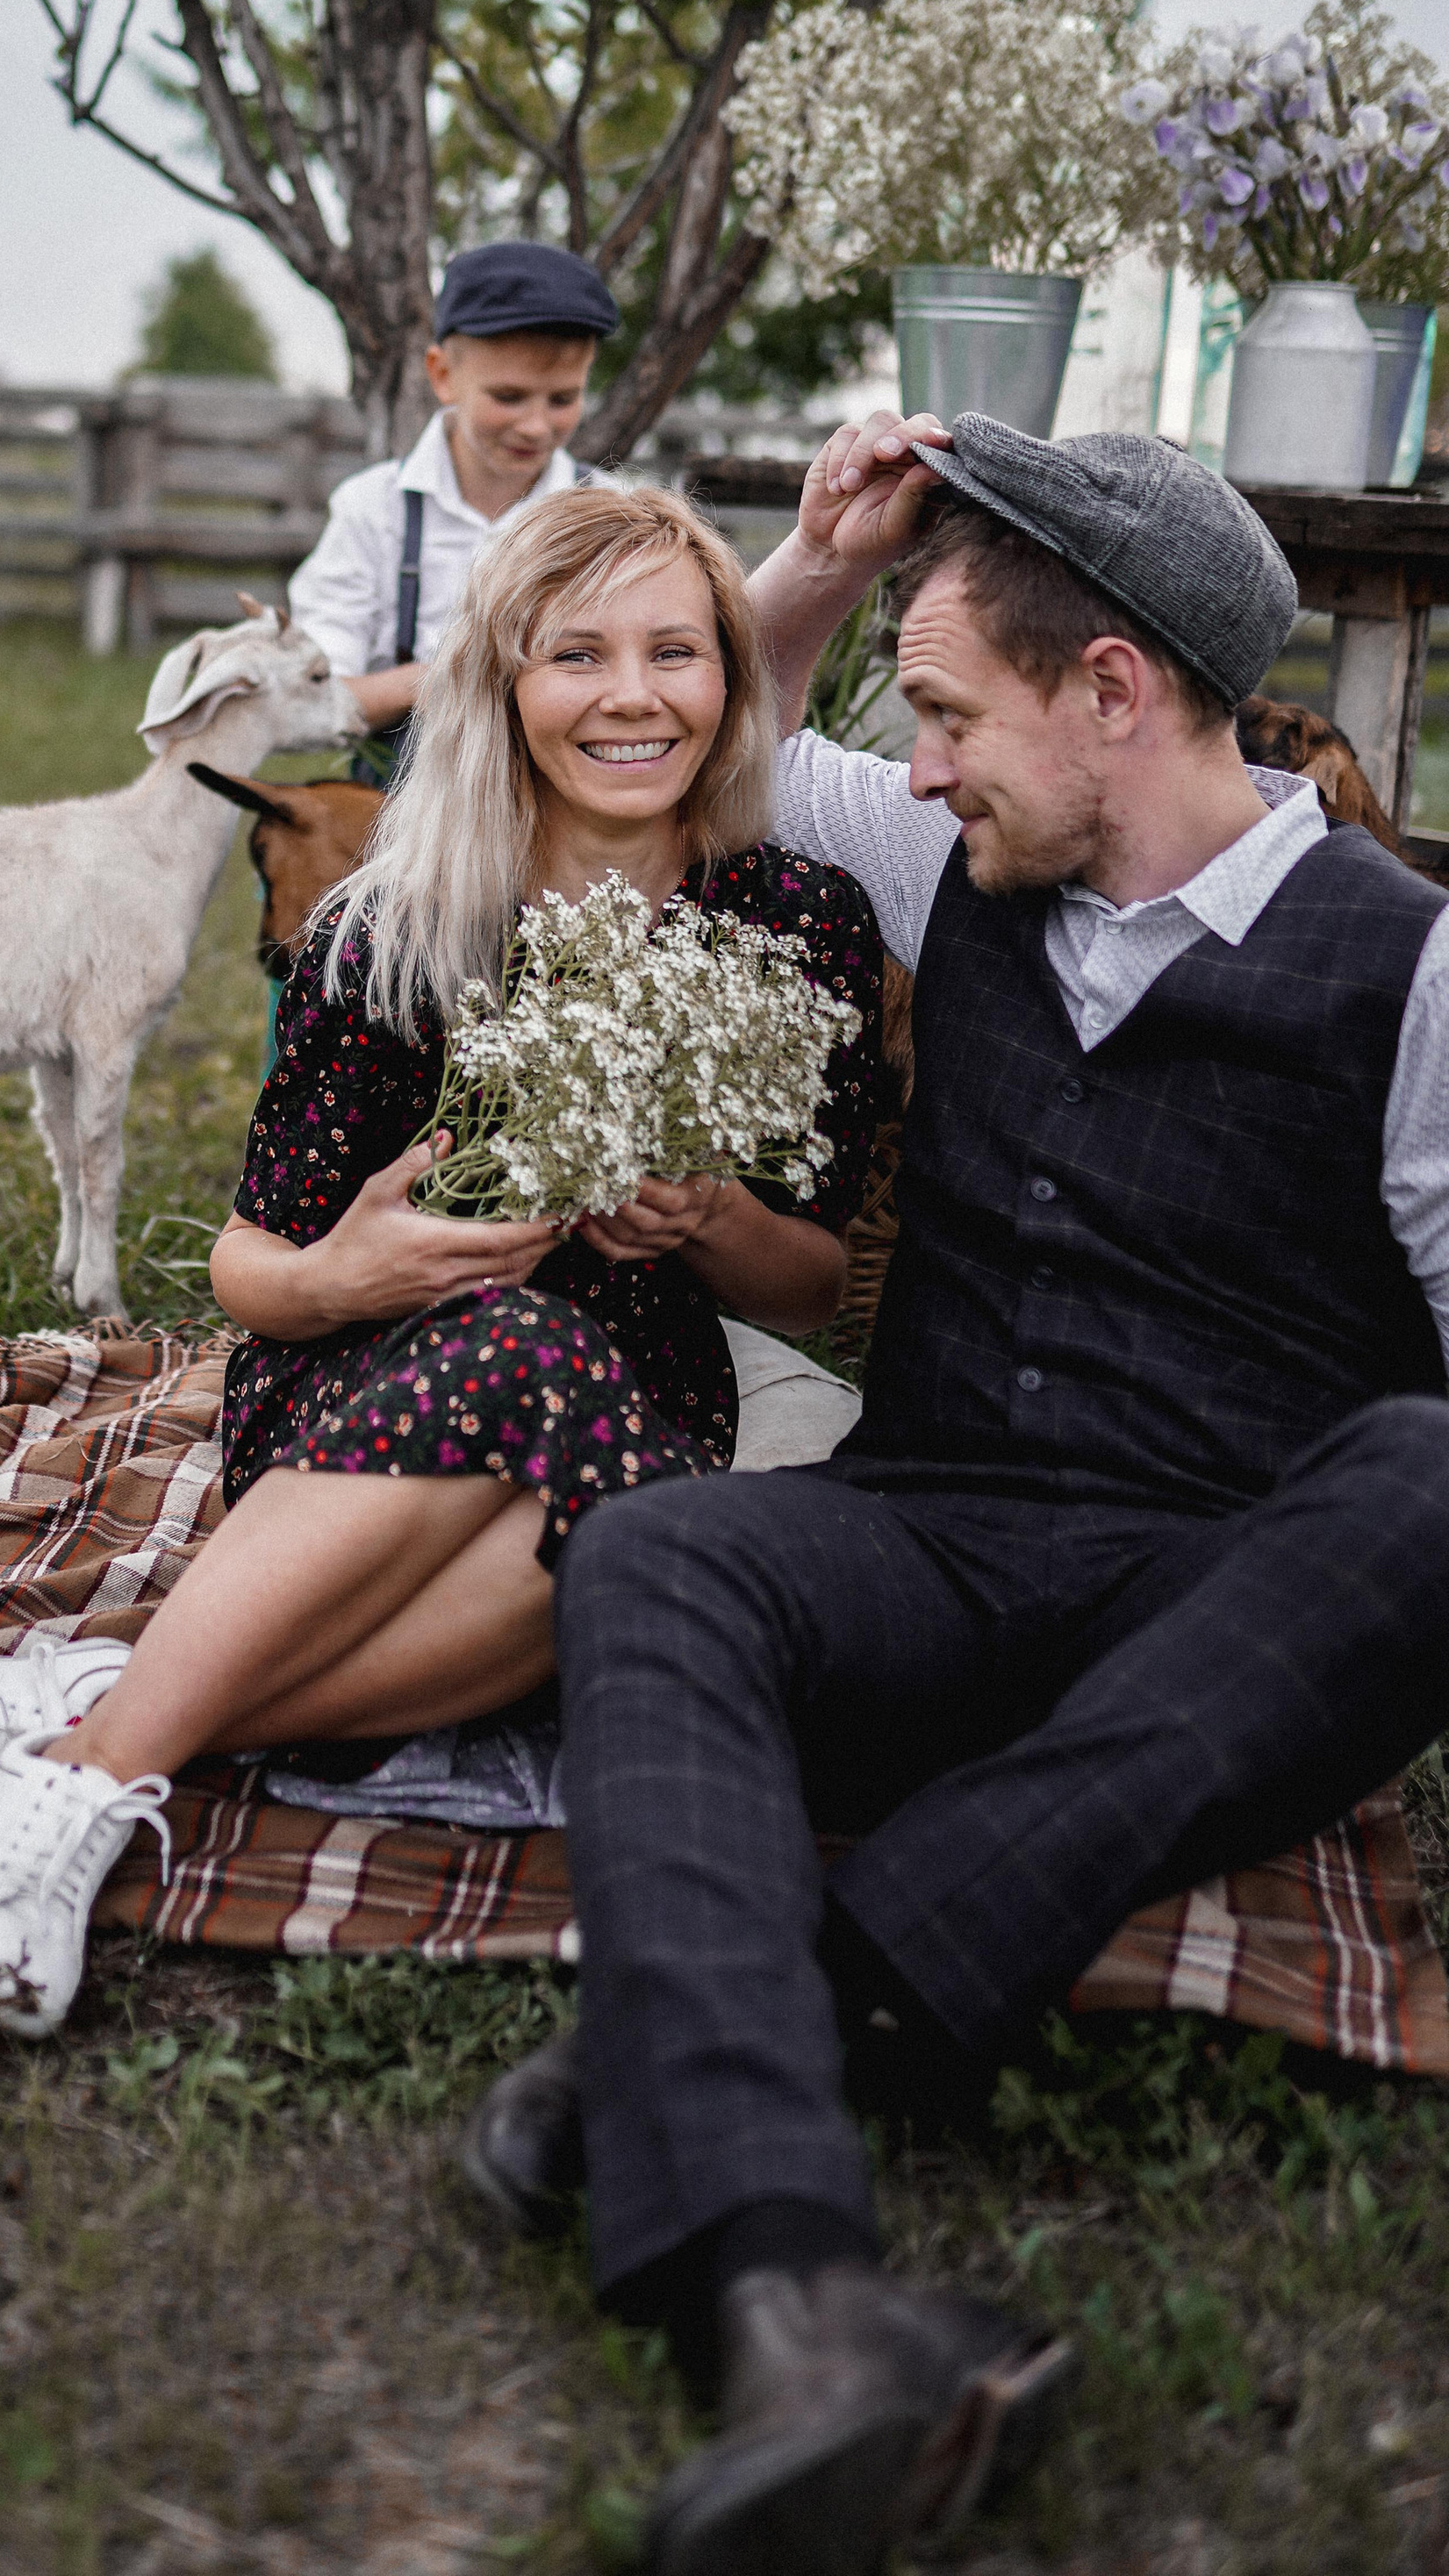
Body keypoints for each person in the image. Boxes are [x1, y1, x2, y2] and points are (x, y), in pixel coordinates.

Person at [463, 410, 1449, 2576]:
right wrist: (814, 561)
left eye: (940, 712)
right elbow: (721, 756)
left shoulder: (1412, 964)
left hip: (1218, 1607)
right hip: (930, 1533)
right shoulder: (954, 855)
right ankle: (807, 2311)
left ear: (1111, 692)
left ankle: (752, 2009)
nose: (903, 765)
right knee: (660, 1548)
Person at [0, 483, 884, 2032]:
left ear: (731, 674)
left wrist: (711, 1220)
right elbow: (251, 1267)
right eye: (577, 655)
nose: (635, 696)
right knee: (526, 1349)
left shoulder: (795, 924)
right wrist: (358, 1271)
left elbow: (808, 1284)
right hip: (350, 1396)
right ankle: (98, 1781)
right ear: (504, 682)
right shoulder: (394, 925)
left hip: (635, 1410)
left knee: (632, 1550)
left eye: (678, 651)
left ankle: (91, 1717)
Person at [288, 237, 618, 784]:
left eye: (562, 399)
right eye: (509, 397)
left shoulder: (609, 513)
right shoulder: (375, 510)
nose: (537, 426)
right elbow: (310, 700)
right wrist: (451, 674)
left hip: (565, 801)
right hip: (401, 809)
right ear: (443, 376)